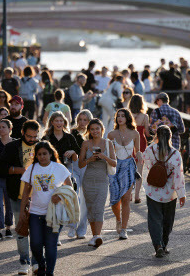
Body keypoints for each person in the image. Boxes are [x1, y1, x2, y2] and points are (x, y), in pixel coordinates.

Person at [19, 142, 73, 276]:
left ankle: (49, 273)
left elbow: (70, 188)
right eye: (39, 154)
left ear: (51, 154)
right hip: (35, 213)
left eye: (45, 153)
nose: (42, 157)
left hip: (54, 213)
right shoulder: (32, 169)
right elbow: (26, 192)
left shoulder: (59, 168)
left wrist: (60, 196)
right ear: (36, 156)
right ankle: (41, 265)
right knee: (35, 244)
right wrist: (22, 213)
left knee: (50, 246)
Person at [0, 120, 40, 275]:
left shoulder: (42, 146)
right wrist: (20, 170)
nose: (32, 139)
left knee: (37, 231)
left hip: (39, 197)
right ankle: (24, 261)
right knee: (21, 229)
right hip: (17, 195)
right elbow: (0, 168)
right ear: (22, 133)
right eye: (29, 136)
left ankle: (36, 262)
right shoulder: (11, 147)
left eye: (35, 136)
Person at [144, 125, 186, 258]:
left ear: (156, 136)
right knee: (168, 220)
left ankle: (158, 245)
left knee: (154, 219)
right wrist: (181, 194)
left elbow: (147, 165)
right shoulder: (175, 154)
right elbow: (179, 176)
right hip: (170, 193)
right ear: (170, 137)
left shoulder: (150, 149)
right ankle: (164, 244)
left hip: (153, 190)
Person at [42, 111, 85, 239]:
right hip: (51, 171)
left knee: (71, 197)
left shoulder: (70, 137)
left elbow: (78, 155)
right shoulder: (47, 138)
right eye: (57, 121)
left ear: (64, 122)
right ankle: (56, 233)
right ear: (52, 122)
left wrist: (72, 152)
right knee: (54, 201)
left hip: (67, 170)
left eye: (61, 121)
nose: (59, 123)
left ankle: (73, 227)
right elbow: (40, 152)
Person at [78, 118, 116, 248]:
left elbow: (114, 163)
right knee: (90, 208)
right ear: (89, 131)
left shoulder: (108, 143)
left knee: (99, 207)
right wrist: (90, 159)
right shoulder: (85, 144)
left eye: (97, 129)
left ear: (102, 129)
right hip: (88, 179)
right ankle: (95, 236)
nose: (95, 131)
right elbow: (80, 164)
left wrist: (104, 157)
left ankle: (97, 235)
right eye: (92, 129)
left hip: (102, 180)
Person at [108, 108, 140, 240]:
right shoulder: (111, 135)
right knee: (115, 200)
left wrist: (140, 155)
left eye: (123, 116)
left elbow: (137, 151)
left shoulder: (135, 134)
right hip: (115, 167)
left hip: (128, 166)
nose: (120, 118)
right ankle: (118, 219)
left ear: (127, 118)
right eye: (118, 116)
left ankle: (124, 229)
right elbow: (108, 152)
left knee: (126, 198)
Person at [129, 94, 150, 203]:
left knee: (130, 169)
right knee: (139, 170)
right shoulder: (145, 116)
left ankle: (130, 195)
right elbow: (147, 133)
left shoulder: (128, 115)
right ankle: (137, 196)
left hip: (130, 142)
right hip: (141, 142)